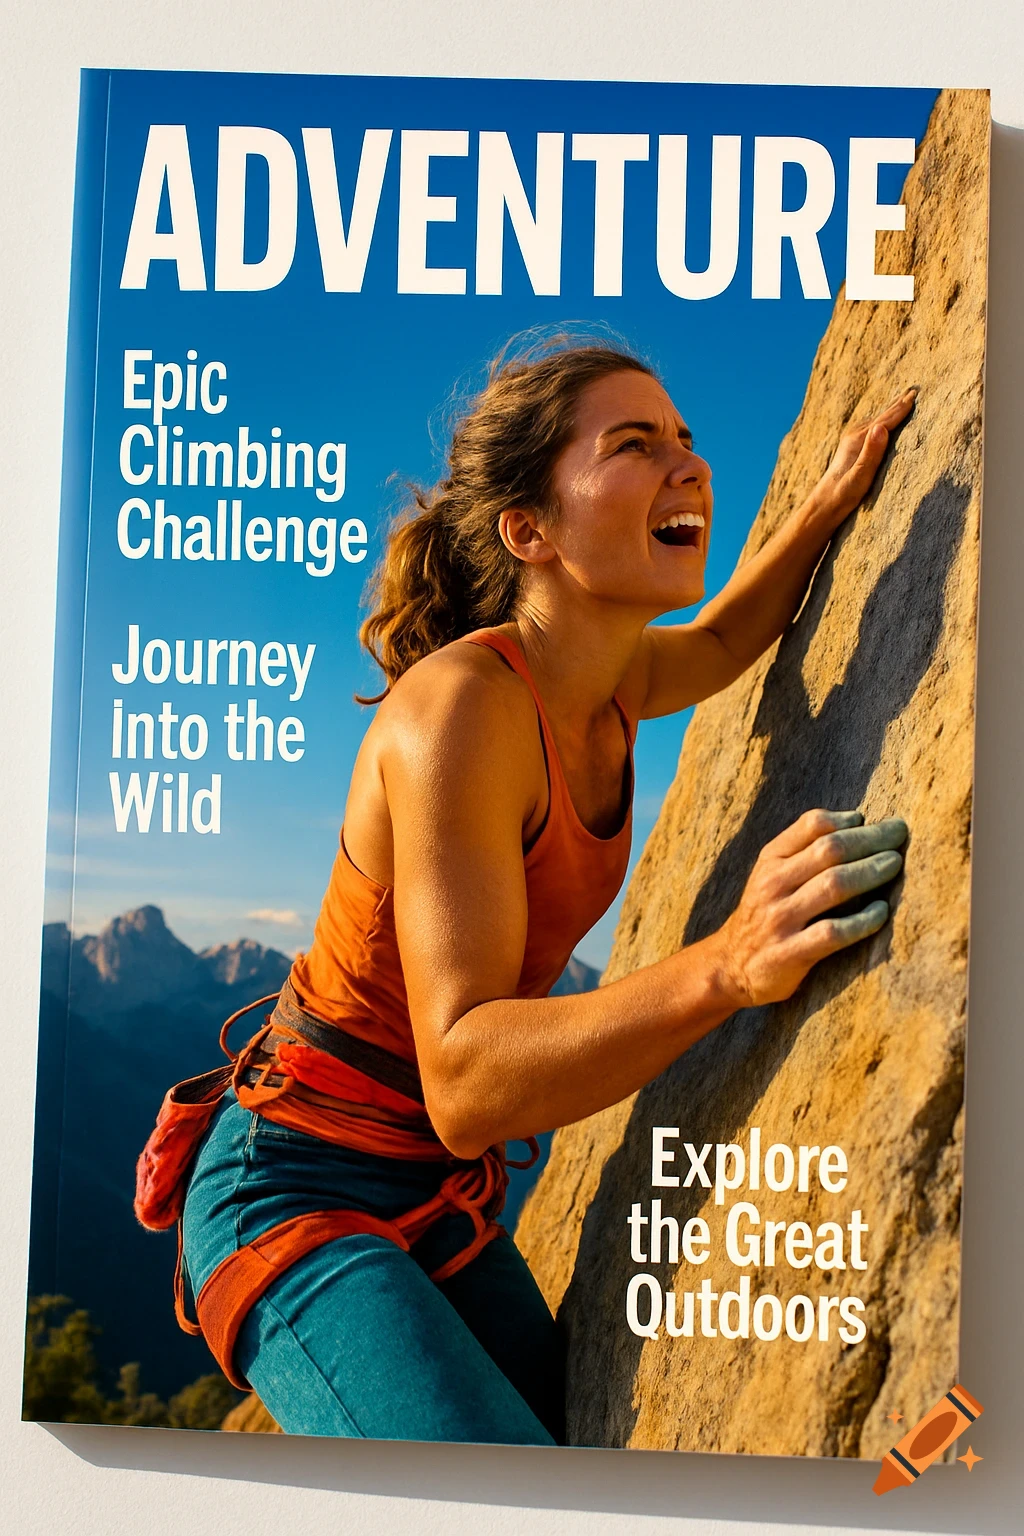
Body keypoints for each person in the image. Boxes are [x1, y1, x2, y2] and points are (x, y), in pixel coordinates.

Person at [177, 337, 914, 1444]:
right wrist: (726, 961)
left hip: (433, 1199)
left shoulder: (610, 679)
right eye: (634, 445)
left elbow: (718, 640)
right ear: (529, 532)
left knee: (579, 1450)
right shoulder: (461, 710)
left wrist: (828, 502)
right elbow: (468, 1083)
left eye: (687, 441)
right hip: (296, 1191)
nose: (688, 466)